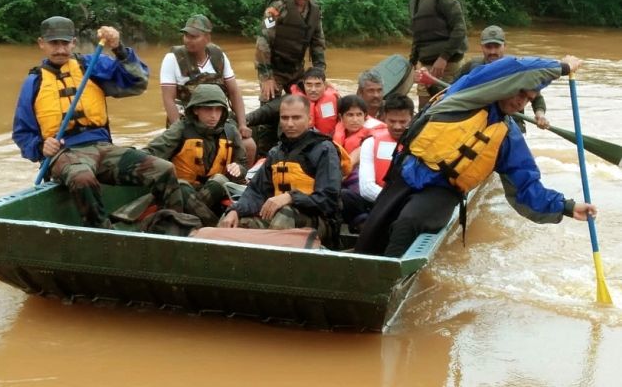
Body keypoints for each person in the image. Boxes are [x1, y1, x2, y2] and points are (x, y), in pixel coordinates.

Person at [355, 55, 597, 257]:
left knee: (407, 223)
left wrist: (567, 206)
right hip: (408, 173)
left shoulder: (508, 137)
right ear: (507, 86)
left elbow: (526, 187)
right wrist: (561, 67)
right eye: (518, 93)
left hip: (443, 191)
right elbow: (517, 67)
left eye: (527, 99)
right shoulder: (467, 93)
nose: (519, 102)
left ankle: (388, 283)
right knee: (371, 236)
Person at [12, 16, 184, 228]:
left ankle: (175, 225)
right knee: (82, 178)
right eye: (53, 43)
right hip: (63, 154)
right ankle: (102, 233)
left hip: (102, 149)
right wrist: (40, 146)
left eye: (64, 43)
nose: (60, 49)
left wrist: (119, 49)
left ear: (73, 43)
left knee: (163, 169)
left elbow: (137, 82)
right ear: (41, 43)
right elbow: (22, 133)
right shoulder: (34, 82)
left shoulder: (90, 66)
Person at [218, 95, 343, 248]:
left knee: (285, 214)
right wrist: (235, 211)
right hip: (281, 217)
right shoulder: (275, 153)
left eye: (296, 118)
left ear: (310, 120)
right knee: (235, 222)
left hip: (320, 221)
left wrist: (291, 197)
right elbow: (256, 192)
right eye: (284, 118)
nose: (289, 123)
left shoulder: (325, 150)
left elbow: (328, 201)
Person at [145, 84, 247, 225]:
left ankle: (192, 223)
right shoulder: (180, 129)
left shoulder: (231, 131)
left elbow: (242, 164)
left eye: (218, 110)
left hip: (215, 192)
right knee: (181, 186)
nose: (213, 115)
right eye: (208, 109)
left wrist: (239, 168)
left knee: (220, 180)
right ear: (196, 110)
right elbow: (152, 153)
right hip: (183, 193)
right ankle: (214, 226)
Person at [160, 14, 256, 163]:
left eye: (193, 36)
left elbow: (234, 92)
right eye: (185, 35)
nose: (187, 40)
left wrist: (242, 124)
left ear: (207, 38)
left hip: (217, 118)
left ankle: (239, 181)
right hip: (188, 120)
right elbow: (168, 98)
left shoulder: (219, 57)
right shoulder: (173, 58)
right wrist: (177, 130)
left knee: (249, 145)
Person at [254, 0, 327, 155]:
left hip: (297, 70)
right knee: (268, 110)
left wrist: (319, 73)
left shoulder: (315, 10)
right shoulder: (277, 7)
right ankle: (264, 156)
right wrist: (266, 77)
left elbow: (318, 42)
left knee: (308, 105)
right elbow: (263, 41)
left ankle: (301, 150)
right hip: (274, 70)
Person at [341, 94, 415, 232]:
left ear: (411, 119)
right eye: (392, 121)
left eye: (403, 121)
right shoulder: (371, 142)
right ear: (384, 118)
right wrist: (391, 202)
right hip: (377, 200)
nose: (397, 126)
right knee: (344, 196)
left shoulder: (420, 145)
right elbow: (366, 188)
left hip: (406, 204)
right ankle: (367, 223)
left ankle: (369, 223)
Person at [455, 25, 549, 132]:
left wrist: (540, 115)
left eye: (497, 47)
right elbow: (450, 89)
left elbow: (537, 98)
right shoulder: (471, 67)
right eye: (488, 47)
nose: (492, 52)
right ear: (481, 47)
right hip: (479, 123)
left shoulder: (520, 69)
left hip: (512, 125)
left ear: (504, 46)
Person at [409, 0, 468, 109]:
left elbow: (460, 29)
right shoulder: (416, 1)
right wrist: (412, 62)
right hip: (425, 66)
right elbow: (418, 36)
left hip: (447, 65)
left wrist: (443, 58)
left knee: (445, 108)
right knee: (424, 109)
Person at [247, 67, 340, 136]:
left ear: (325, 85)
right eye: (309, 85)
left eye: (318, 85)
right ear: (303, 84)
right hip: (296, 142)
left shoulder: (336, 100)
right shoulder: (291, 99)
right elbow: (266, 111)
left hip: (326, 142)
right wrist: (244, 121)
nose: (313, 89)